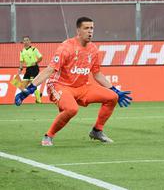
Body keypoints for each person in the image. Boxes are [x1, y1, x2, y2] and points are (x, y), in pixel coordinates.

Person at [14, 17, 133, 146]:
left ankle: (97, 131)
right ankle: (49, 136)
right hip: (60, 85)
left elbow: (97, 74)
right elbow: (49, 70)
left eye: (92, 28)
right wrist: (30, 89)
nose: (90, 31)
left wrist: (114, 90)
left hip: (82, 87)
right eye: (86, 28)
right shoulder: (66, 47)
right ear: (78, 30)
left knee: (112, 97)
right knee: (72, 109)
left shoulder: (93, 49)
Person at [18, 35, 43, 103]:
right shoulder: (22, 51)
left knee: (33, 83)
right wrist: (20, 69)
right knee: (22, 86)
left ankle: (38, 100)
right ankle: (38, 94)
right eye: (24, 40)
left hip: (34, 68)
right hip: (28, 69)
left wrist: (36, 62)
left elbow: (40, 57)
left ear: (30, 41)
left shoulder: (33, 49)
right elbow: (21, 61)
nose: (26, 42)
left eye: (27, 40)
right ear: (23, 42)